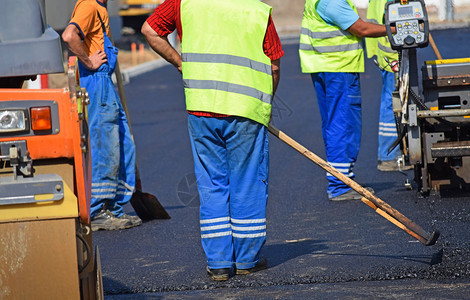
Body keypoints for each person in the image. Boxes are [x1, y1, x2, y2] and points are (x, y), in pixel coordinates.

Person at [142, 0, 283, 281]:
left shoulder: (184, 3)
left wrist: (181, 63)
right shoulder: (255, 9)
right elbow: (274, 65)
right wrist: (264, 106)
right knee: (247, 182)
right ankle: (247, 259)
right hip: (246, 112)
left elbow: (149, 30)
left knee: (212, 183)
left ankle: (219, 262)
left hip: (201, 108)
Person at [299, 0, 396, 201]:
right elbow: (361, 28)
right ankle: (340, 185)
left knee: (335, 123)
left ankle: (342, 180)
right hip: (338, 69)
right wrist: (396, 29)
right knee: (343, 124)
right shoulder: (331, 2)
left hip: (329, 67)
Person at [62, 0, 142, 231]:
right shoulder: (89, 5)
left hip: (104, 82)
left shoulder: (100, 8)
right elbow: (69, 36)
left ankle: (113, 207)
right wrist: (88, 61)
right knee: (104, 145)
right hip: (95, 83)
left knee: (121, 143)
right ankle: (98, 210)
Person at [365, 0, 410, 172]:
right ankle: (388, 156)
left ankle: (391, 154)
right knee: (393, 103)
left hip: (385, 53)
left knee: (391, 102)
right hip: (392, 55)